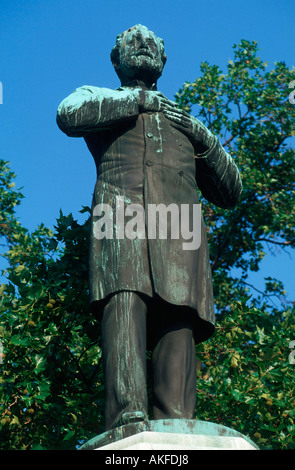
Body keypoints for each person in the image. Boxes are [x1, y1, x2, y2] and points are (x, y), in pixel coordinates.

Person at [56, 24, 242, 430]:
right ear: (116, 60)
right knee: (124, 306)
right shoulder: (101, 98)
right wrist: (139, 101)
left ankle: (176, 423)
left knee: (179, 319)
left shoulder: (184, 121)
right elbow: (68, 114)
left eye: (150, 43)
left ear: (163, 60)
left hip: (181, 230)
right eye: (131, 42)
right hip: (120, 216)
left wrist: (201, 134)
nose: (141, 45)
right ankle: (127, 419)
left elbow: (231, 189)